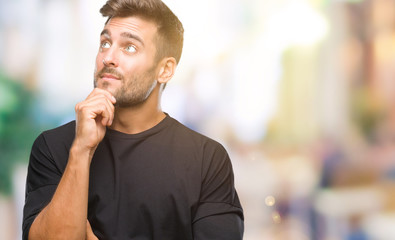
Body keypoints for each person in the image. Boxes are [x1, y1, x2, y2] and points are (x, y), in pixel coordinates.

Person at [22, 0, 244, 239]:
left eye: (129, 47)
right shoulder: (54, 147)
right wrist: (81, 151)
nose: (108, 57)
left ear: (165, 70)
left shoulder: (206, 159)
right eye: (105, 43)